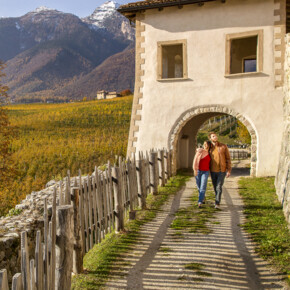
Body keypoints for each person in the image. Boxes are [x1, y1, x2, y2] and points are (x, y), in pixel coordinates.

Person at [208, 132, 231, 209]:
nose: (215, 137)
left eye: (216, 136)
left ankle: (217, 203)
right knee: (215, 187)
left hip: (222, 170)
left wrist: (229, 170)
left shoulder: (223, 146)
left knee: (219, 187)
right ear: (210, 138)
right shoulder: (209, 147)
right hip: (212, 170)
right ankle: (217, 199)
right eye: (213, 136)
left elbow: (228, 158)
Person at [192, 141, 212, 208]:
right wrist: (195, 170)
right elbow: (195, 161)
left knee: (203, 187)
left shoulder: (210, 153)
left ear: (209, 146)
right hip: (198, 171)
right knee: (198, 186)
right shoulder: (200, 151)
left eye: (207, 145)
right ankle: (203, 197)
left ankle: (199, 202)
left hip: (205, 172)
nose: (206, 146)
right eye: (205, 144)